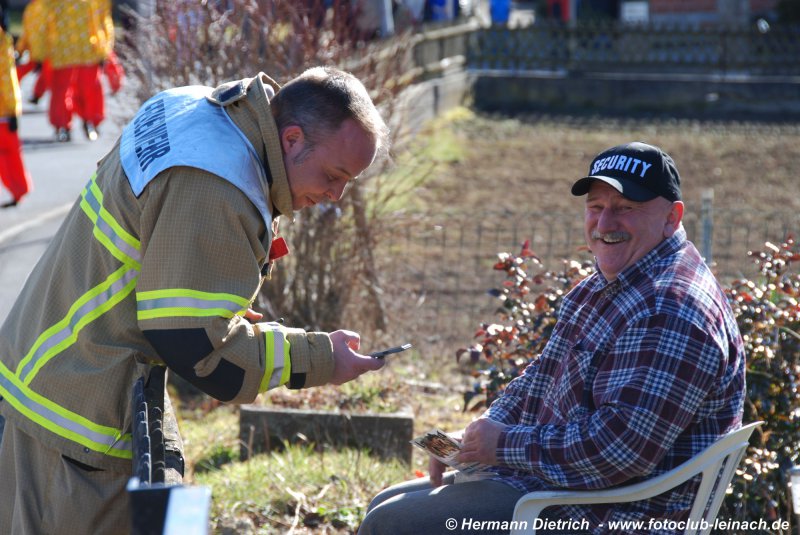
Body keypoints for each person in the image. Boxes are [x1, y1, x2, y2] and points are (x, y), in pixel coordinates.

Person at [0, 67, 389, 534]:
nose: (335, 195)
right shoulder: (218, 185)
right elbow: (205, 353)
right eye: (333, 175)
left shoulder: (196, 111)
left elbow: (148, 250)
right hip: (79, 426)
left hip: (45, 375)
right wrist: (321, 358)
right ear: (291, 139)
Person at [359, 142, 746, 535]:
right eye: (596, 206)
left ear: (671, 217)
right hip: (565, 493)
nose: (605, 223)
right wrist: (479, 436)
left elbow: (618, 451)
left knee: (391, 523)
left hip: (614, 515)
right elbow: (541, 379)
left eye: (625, 208)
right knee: (386, 504)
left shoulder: (671, 309)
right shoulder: (609, 285)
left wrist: (502, 445)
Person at [43, 0, 114, 142]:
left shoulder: (89, 3)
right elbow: (45, 24)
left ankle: (89, 121)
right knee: (61, 91)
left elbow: (97, 23)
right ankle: (62, 126)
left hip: (86, 51)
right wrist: (42, 51)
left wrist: (103, 50)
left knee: (88, 88)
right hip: (62, 52)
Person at [0, 4, 33, 209]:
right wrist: (13, 110)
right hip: (3, 112)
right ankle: (18, 190)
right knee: (9, 154)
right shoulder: (2, 41)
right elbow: (7, 79)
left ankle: (18, 190)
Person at [14, 0, 53, 106]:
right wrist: (20, 50)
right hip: (40, 51)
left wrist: (21, 49)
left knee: (47, 74)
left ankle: (37, 95)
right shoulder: (34, 8)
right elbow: (28, 31)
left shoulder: (39, 7)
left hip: (43, 50)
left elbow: (32, 32)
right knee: (47, 74)